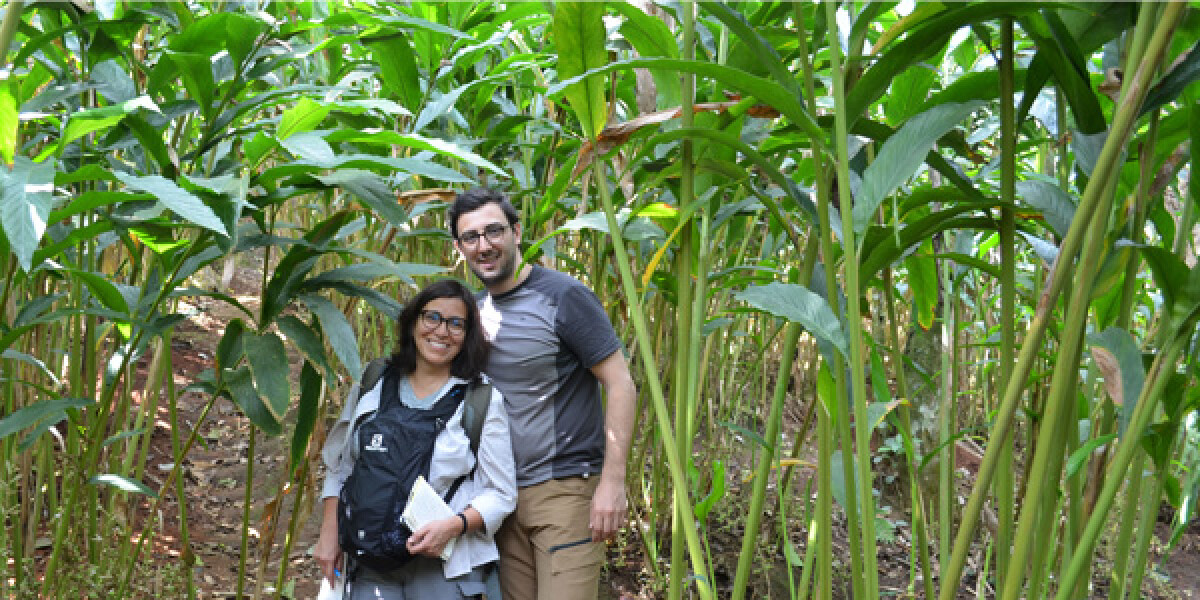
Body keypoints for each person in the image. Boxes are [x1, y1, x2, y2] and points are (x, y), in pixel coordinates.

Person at [448, 188, 637, 600]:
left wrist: (613, 483)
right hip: (501, 498)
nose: (484, 245)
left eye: (494, 231)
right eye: (471, 237)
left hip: (564, 490)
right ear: (459, 247)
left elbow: (620, 381)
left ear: (516, 232)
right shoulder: (474, 313)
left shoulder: (563, 296)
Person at [314, 279, 516, 599]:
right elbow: (342, 466)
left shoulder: (480, 400)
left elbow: (501, 493)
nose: (441, 331)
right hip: (370, 561)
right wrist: (330, 533)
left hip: (443, 569)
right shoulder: (374, 382)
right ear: (413, 323)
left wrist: (453, 526)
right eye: (432, 317)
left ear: (467, 337)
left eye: (455, 324)